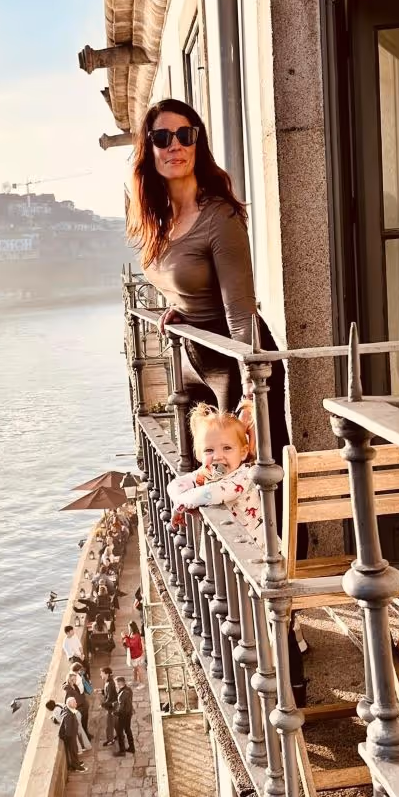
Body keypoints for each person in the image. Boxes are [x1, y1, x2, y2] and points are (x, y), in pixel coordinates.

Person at [127, 97, 290, 466]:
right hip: (194, 358)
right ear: (148, 148)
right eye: (162, 137)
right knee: (209, 478)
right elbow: (180, 278)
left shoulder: (219, 216)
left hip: (235, 359)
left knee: (259, 481)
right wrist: (178, 307)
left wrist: (252, 392)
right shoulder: (157, 219)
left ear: (197, 143)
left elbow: (240, 312)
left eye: (186, 135)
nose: (175, 146)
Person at [165, 403, 264, 543]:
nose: (217, 456)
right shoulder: (208, 472)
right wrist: (179, 501)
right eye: (209, 450)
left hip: (251, 553)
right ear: (199, 455)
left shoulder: (243, 477)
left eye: (227, 448)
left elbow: (211, 493)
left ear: (243, 452)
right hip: (221, 550)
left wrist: (181, 504)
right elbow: (175, 485)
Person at [45, 699, 86, 772]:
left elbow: (61, 721)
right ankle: (76, 764)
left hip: (68, 734)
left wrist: (53, 719)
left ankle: (76, 765)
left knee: (73, 749)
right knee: (73, 749)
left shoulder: (56, 712)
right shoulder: (59, 704)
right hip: (71, 732)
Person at [63, 666, 93, 743]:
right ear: (70, 680)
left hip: (82, 706)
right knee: (80, 725)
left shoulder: (75, 686)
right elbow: (68, 701)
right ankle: (84, 740)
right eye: (74, 679)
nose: (75, 680)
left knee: (84, 722)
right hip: (78, 708)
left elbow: (79, 695)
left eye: (75, 679)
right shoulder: (68, 690)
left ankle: (87, 734)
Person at [113, 676, 135, 755]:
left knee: (119, 732)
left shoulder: (122, 693)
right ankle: (132, 748)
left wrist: (115, 713)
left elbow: (121, 708)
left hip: (123, 715)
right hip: (128, 713)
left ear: (119, 683)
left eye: (116, 683)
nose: (115, 685)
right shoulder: (128, 689)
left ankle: (122, 751)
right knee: (128, 730)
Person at [121, 620, 145, 686]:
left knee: (138, 669)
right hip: (134, 654)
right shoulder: (132, 634)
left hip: (136, 655)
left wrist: (124, 637)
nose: (128, 628)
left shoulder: (136, 635)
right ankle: (135, 681)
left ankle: (142, 683)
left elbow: (130, 644)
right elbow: (130, 640)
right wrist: (126, 636)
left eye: (129, 627)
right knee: (134, 669)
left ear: (132, 627)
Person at [100, 665, 118, 747]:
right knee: (115, 723)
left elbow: (110, 698)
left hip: (111, 707)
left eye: (102, 673)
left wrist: (102, 704)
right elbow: (109, 693)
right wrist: (102, 691)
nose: (101, 675)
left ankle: (110, 740)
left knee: (109, 725)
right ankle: (120, 735)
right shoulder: (108, 681)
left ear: (106, 674)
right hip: (114, 706)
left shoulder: (110, 683)